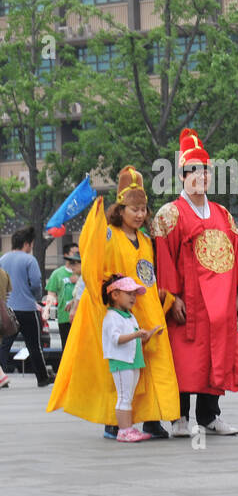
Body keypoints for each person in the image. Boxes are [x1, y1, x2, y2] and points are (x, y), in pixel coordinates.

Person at [46, 167, 180, 439]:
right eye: (134, 209)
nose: (141, 214)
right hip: (121, 312)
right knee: (122, 370)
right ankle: (114, 421)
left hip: (149, 309)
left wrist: (164, 296)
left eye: (143, 209)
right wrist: (94, 218)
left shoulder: (145, 239)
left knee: (154, 365)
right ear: (121, 210)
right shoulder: (108, 235)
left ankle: (153, 418)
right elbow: (93, 262)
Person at [153, 128, 238, 434]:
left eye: (205, 172)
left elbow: (235, 254)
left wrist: (237, 296)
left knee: (215, 358)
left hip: (220, 303)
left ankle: (210, 415)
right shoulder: (169, 214)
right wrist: (173, 298)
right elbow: (164, 260)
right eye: (193, 172)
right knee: (185, 360)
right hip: (189, 302)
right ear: (182, 176)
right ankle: (179, 416)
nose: (201, 177)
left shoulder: (223, 214)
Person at [99, 274, 164, 443]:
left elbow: (136, 340)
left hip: (132, 360)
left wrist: (149, 334)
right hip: (121, 361)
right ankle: (124, 430)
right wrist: (136, 334)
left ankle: (127, 428)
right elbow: (116, 339)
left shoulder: (129, 315)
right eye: (129, 294)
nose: (133, 298)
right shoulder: (112, 317)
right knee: (123, 397)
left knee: (128, 396)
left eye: (134, 294)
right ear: (114, 295)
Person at [0, 227, 52, 387]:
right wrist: (34, 297)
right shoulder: (30, 260)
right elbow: (36, 282)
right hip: (27, 309)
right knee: (34, 345)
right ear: (27, 244)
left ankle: (1, 377)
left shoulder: (2, 259)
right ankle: (42, 378)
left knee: (4, 345)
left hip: (7, 310)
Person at [45, 246, 82, 348]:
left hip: (81, 319)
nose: (73, 265)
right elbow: (51, 293)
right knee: (67, 347)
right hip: (64, 316)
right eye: (73, 254)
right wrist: (46, 310)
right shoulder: (57, 274)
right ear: (65, 255)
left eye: (76, 261)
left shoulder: (84, 278)